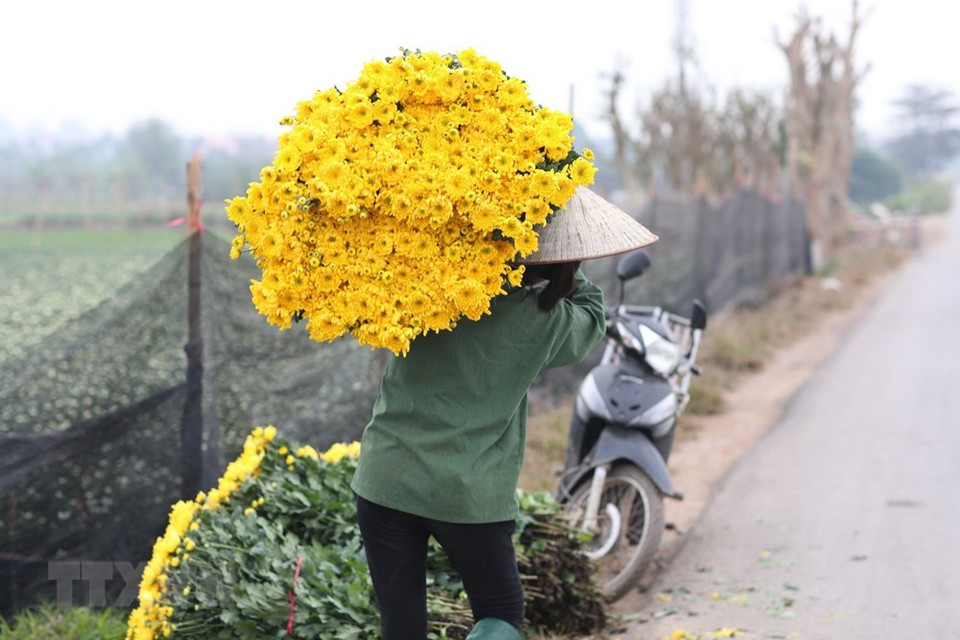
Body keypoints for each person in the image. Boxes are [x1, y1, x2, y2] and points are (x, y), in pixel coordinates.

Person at [350, 187, 658, 640]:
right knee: (500, 612)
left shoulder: (428, 289)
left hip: (385, 477)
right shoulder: (543, 321)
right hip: (466, 491)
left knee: (402, 625)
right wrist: (570, 263)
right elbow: (594, 318)